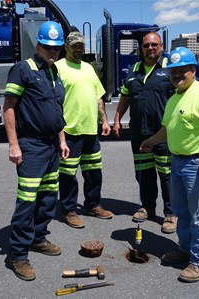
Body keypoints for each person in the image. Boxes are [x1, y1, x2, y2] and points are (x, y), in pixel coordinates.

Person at [140, 47, 199, 282]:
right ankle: (185, 249)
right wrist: (151, 141)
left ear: (193, 70)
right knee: (181, 212)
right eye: (173, 72)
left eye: (182, 71)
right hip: (178, 161)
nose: (177, 76)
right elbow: (167, 129)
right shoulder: (174, 98)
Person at [3, 21, 70, 281]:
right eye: (48, 47)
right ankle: (18, 255)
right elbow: (8, 107)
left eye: (56, 48)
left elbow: (56, 113)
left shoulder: (54, 73)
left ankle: (38, 238)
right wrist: (14, 144)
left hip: (53, 145)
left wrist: (62, 140)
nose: (52, 52)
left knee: (48, 197)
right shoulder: (23, 69)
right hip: (31, 146)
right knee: (27, 201)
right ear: (38, 45)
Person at [112, 32, 177, 234]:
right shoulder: (133, 70)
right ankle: (147, 207)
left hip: (163, 133)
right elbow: (125, 97)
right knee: (144, 173)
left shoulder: (170, 69)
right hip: (139, 133)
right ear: (141, 47)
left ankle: (171, 213)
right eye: (147, 45)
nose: (150, 48)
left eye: (154, 45)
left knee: (167, 175)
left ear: (161, 46)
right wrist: (116, 119)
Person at [56, 32, 113, 229]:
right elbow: (54, 101)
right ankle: (68, 210)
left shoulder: (89, 68)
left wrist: (104, 120)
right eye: (75, 46)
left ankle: (92, 204)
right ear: (66, 46)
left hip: (90, 130)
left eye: (81, 45)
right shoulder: (58, 67)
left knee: (93, 172)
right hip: (69, 130)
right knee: (68, 175)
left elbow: (98, 97)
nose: (78, 49)